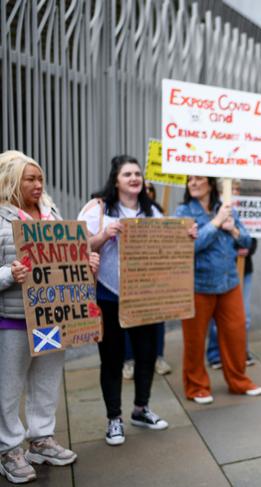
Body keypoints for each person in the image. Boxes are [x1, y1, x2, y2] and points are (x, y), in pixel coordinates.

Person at [0, 151, 97, 483]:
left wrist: (87, 264)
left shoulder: (51, 213)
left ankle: (41, 439)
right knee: (8, 388)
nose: (38, 184)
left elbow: (68, 259)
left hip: (53, 317)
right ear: (12, 180)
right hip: (11, 320)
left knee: (46, 382)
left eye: (40, 178)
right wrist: (9, 274)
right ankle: (8, 449)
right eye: (30, 179)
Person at [79, 155, 177, 446]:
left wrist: (186, 234)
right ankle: (114, 420)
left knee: (146, 355)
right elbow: (75, 246)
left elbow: (169, 245)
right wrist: (103, 235)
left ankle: (141, 409)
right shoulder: (97, 208)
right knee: (111, 359)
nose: (134, 178)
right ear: (116, 180)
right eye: (127, 174)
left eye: (137, 174)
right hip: (108, 295)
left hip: (145, 297)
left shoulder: (153, 212)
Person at [176, 176, 261, 405]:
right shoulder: (183, 211)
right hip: (198, 286)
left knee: (236, 334)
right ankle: (196, 387)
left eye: (198, 179)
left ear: (211, 183)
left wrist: (232, 228)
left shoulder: (225, 208)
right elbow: (188, 247)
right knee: (194, 340)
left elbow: (246, 241)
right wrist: (215, 224)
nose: (193, 183)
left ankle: (239, 381)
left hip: (229, 283)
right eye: (189, 180)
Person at [122, 181, 172, 379]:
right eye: (146, 189)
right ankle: (129, 360)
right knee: (128, 321)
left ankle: (158, 357)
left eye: (151, 190)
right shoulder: (123, 212)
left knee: (157, 321)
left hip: (154, 279)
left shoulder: (158, 213)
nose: (148, 193)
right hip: (131, 278)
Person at [206, 179, 256, 369]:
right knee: (216, 318)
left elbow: (252, 240)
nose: (235, 192)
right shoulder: (214, 210)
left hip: (244, 269)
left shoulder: (245, 209)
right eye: (231, 188)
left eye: (236, 189)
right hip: (220, 269)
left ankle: (241, 350)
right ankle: (214, 353)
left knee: (244, 315)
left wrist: (244, 246)